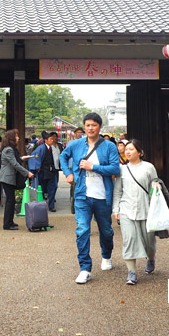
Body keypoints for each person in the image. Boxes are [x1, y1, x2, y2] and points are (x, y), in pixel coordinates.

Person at [60, 113, 120, 284]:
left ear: (99, 127)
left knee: (106, 231)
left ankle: (106, 255)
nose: (90, 128)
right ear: (84, 127)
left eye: (94, 125)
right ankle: (85, 268)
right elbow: (64, 156)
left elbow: (115, 168)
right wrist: (68, 173)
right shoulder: (76, 144)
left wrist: (93, 167)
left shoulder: (109, 146)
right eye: (87, 125)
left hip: (102, 196)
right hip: (82, 195)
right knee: (82, 230)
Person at [112, 139, 161, 285]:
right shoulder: (122, 169)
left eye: (131, 149)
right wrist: (116, 209)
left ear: (140, 152)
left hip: (146, 210)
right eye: (126, 149)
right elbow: (117, 191)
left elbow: (155, 187)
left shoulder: (149, 167)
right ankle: (131, 272)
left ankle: (150, 258)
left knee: (149, 242)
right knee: (129, 240)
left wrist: (157, 206)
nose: (127, 151)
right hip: (127, 210)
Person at [0, 129, 33, 231]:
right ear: (12, 138)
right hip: (7, 178)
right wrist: (27, 172)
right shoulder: (9, 149)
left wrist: (23, 158)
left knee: (11, 200)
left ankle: (10, 222)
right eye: (16, 136)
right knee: (10, 201)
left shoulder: (9, 149)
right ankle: (7, 224)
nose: (18, 138)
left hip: (8, 177)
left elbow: (15, 161)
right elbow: (14, 164)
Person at [33, 133, 60, 212]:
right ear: (45, 140)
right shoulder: (40, 148)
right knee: (42, 189)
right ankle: (41, 206)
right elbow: (34, 157)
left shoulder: (53, 148)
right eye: (50, 139)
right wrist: (37, 167)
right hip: (43, 172)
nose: (52, 140)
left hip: (51, 171)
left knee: (53, 187)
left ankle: (51, 205)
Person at [69, 127, 85, 214]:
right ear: (75, 133)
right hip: (73, 166)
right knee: (74, 185)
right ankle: (73, 206)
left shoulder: (86, 142)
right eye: (78, 132)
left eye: (81, 132)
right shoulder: (72, 143)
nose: (79, 134)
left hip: (83, 166)